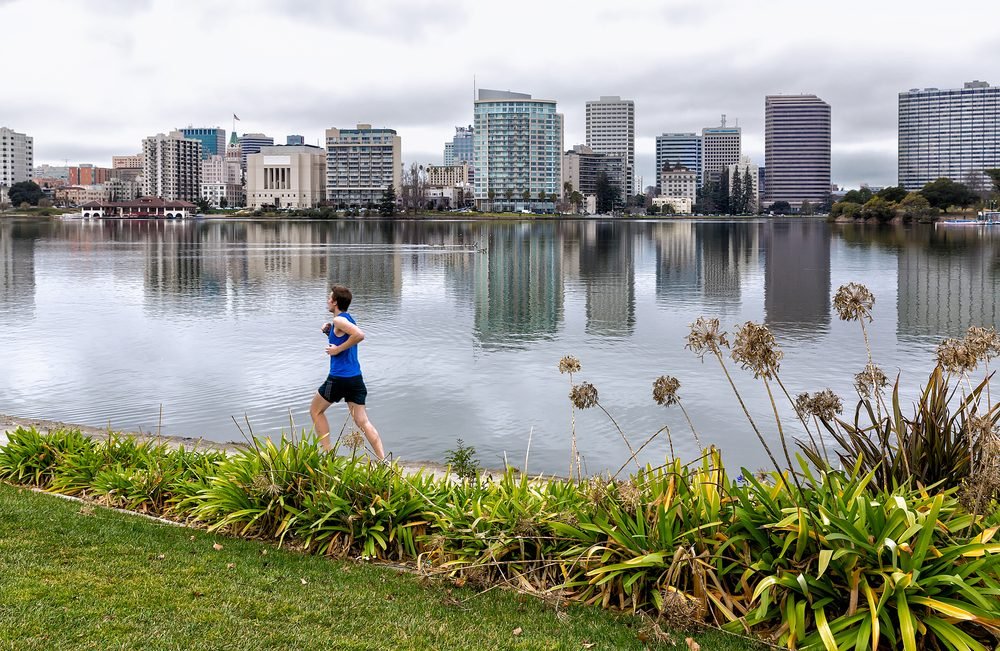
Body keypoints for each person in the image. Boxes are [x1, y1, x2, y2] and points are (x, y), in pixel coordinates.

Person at [309, 285, 386, 460]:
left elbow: (359, 335)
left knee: (315, 411)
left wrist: (337, 350)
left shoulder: (339, 321)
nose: (328, 300)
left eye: (330, 298)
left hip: (338, 379)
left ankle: (328, 456)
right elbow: (346, 336)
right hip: (355, 379)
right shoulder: (347, 319)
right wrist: (329, 332)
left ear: (335, 302)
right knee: (362, 422)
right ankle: (383, 461)